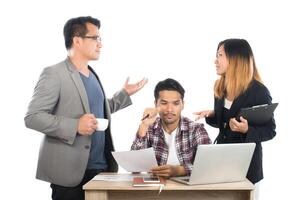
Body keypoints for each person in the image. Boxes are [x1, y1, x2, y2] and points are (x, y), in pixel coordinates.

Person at [24, 16, 147, 200]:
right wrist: (75, 126)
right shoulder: (54, 73)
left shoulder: (93, 75)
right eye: (95, 38)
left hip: (101, 169)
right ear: (77, 40)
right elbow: (33, 117)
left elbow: (99, 111)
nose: (100, 44)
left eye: (100, 38)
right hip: (69, 175)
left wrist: (124, 95)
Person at [194, 39, 276, 198]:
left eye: (220, 55)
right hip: (223, 161)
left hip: (247, 166)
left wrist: (247, 130)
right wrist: (212, 114)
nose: (215, 61)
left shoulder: (258, 91)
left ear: (235, 59)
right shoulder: (220, 86)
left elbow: (270, 130)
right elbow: (225, 122)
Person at [131, 78, 211, 178]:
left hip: (187, 190)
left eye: (176, 103)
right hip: (155, 189)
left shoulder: (196, 130)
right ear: (156, 104)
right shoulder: (149, 129)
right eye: (164, 103)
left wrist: (180, 170)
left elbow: (209, 165)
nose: (169, 109)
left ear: (182, 105)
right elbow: (134, 167)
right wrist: (144, 126)